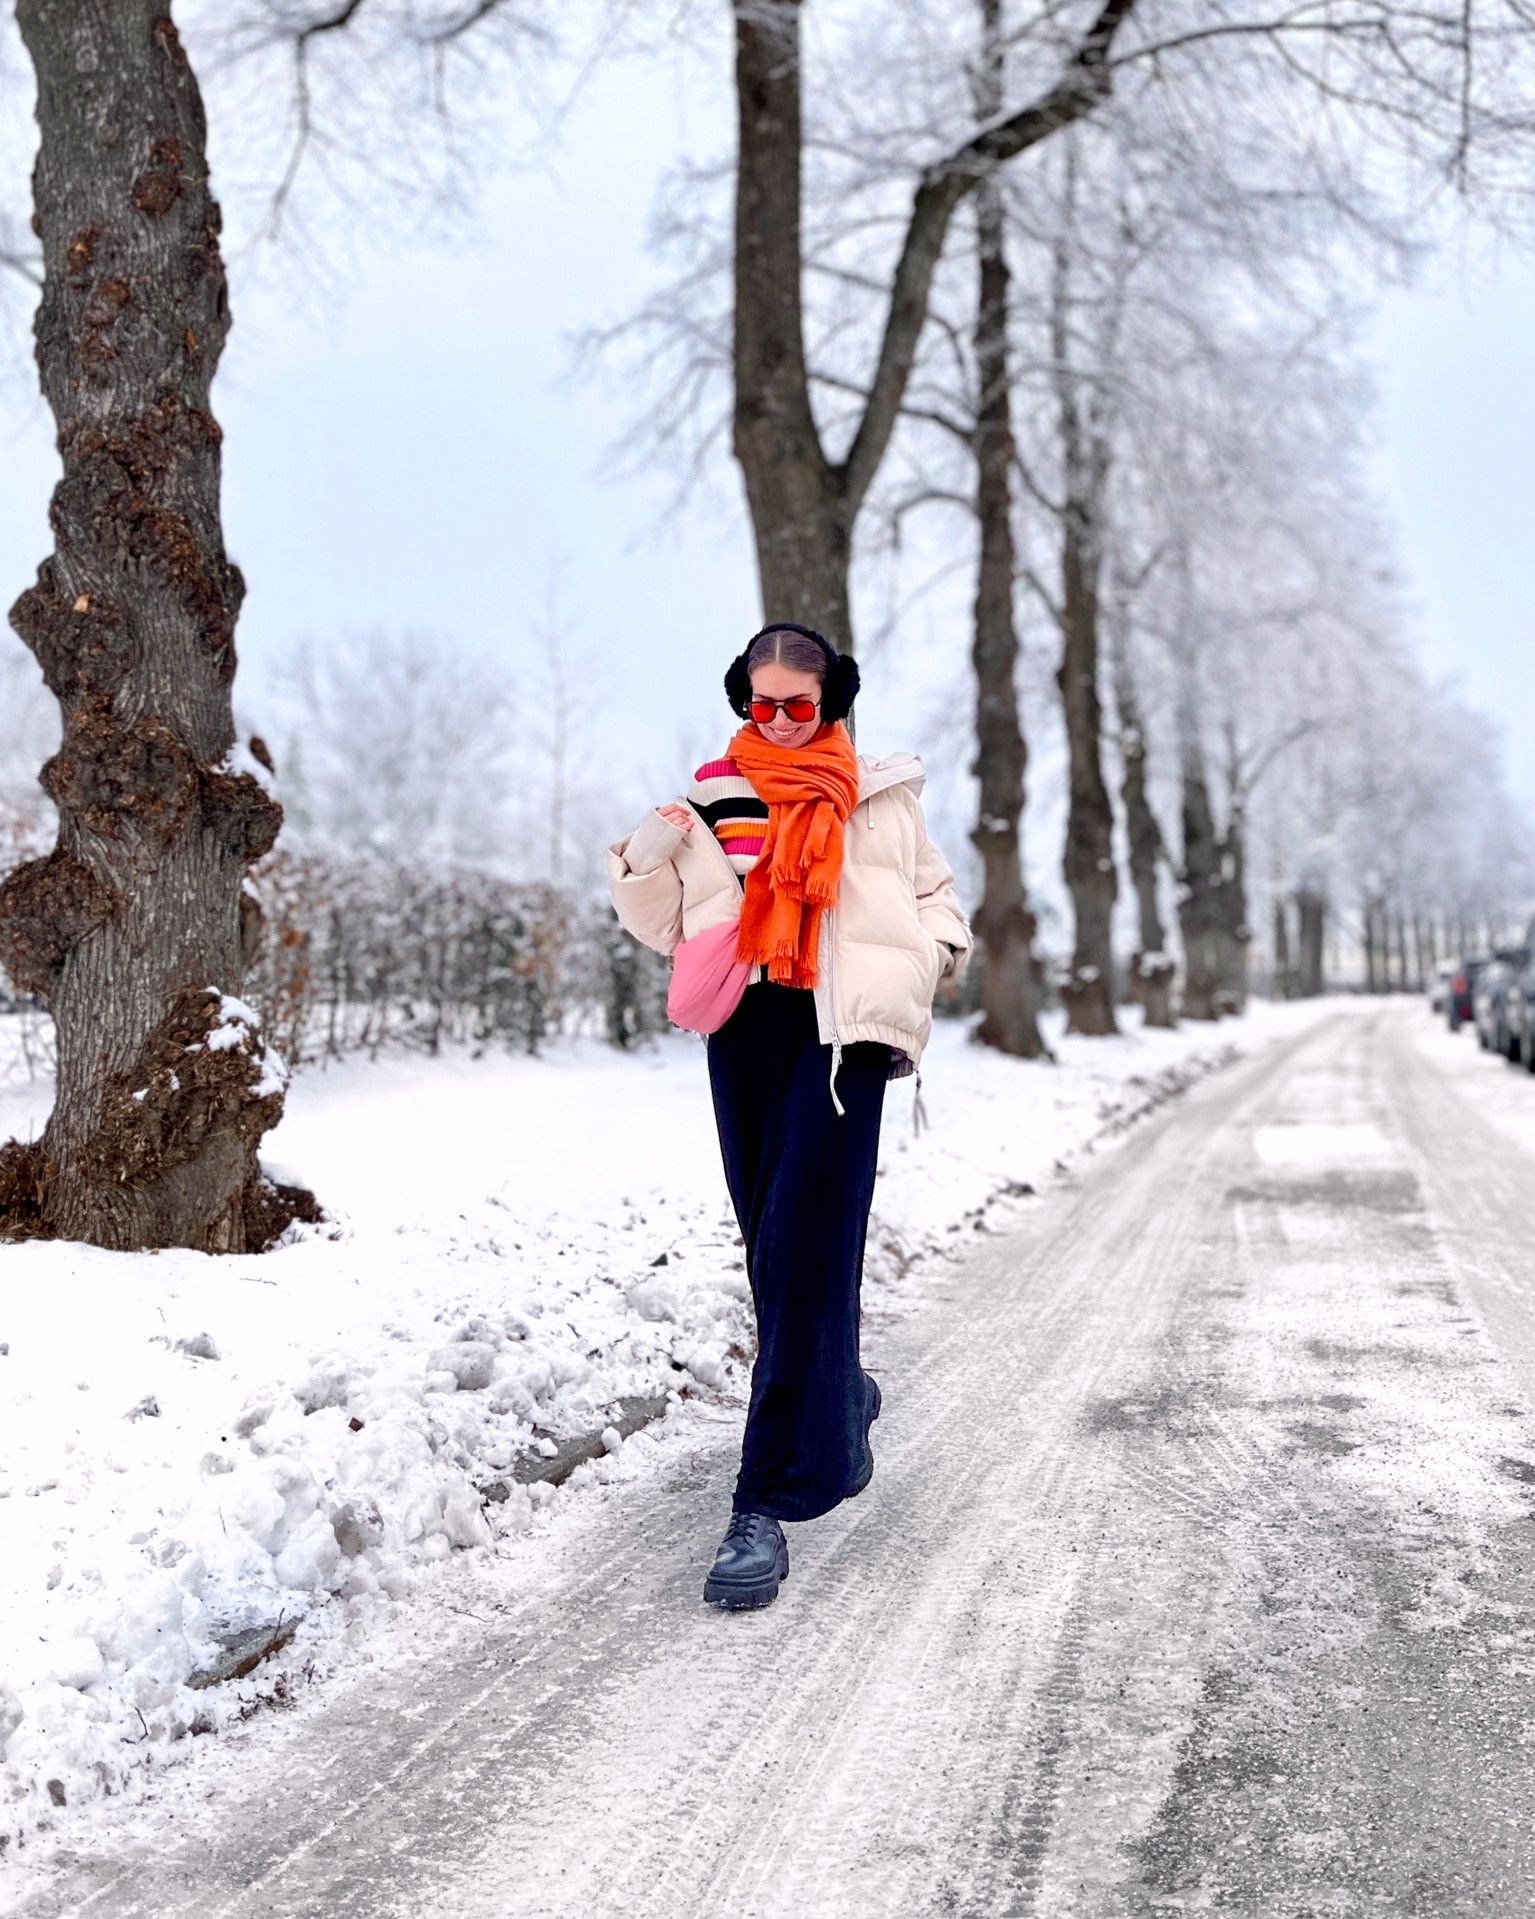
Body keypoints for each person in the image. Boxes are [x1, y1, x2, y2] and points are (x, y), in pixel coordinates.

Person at [607, 623, 970, 1609]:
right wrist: (644, 854)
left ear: (830, 701)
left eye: (796, 705)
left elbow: (935, 895)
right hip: (746, 1032)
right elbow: (657, 924)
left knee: (806, 1241)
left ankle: (762, 1501)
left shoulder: (878, 796)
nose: (776, 719)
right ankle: (838, 1399)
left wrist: (929, 957)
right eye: (760, 702)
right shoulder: (712, 795)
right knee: (772, 1246)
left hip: (843, 1037)